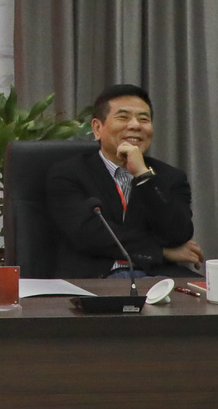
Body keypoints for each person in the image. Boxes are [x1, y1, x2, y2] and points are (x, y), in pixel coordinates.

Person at [46, 85, 203, 278]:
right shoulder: (69, 173)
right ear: (97, 128)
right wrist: (161, 251)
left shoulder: (170, 177)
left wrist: (143, 176)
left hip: (157, 277)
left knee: (214, 293)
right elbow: (88, 234)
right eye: (123, 117)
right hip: (94, 279)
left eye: (144, 119)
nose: (136, 126)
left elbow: (178, 234)